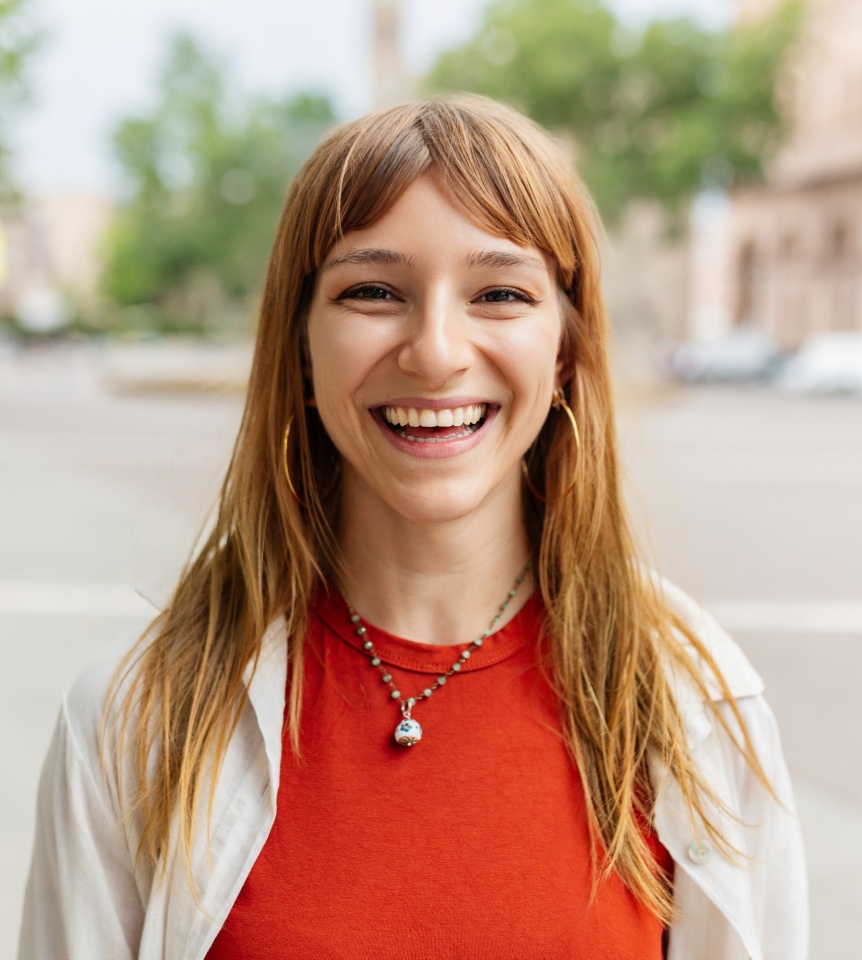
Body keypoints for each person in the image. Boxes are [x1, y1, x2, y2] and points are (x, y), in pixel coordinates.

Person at [18, 94, 807, 959]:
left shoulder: (699, 707)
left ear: (566, 351)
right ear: (301, 351)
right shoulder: (134, 722)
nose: (435, 352)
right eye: (373, 291)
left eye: (500, 292)